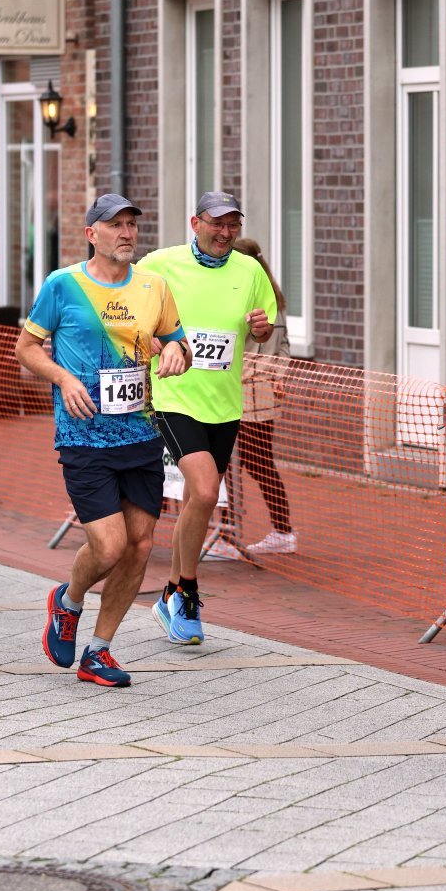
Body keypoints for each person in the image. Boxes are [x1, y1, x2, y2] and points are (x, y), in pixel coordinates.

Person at [15, 194, 189, 688]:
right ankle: (68, 601)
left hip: (141, 433)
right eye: (115, 225)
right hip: (84, 435)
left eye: (131, 224)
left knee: (140, 546)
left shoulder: (155, 286)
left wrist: (176, 352)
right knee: (110, 546)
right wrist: (64, 378)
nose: (126, 232)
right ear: (92, 234)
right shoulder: (63, 284)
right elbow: (26, 348)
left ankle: (99, 650)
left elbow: (178, 341)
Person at [137, 192, 277, 646]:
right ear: (195, 223)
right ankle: (189, 592)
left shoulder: (249, 271)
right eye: (217, 223)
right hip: (174, 395)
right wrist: (155, 341)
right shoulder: (160, 264)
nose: (225, 232)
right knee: (204, 491)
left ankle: (170, 594)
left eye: (233, 225)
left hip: (224, 403)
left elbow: (262, 329)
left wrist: (261, 329)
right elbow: (129, 312)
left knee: (196, 501)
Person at [232, 237, 297, 556]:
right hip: (256, 391)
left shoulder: (256, 299)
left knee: (252, 463)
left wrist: (274, 377)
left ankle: (279, 530)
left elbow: (276, 346)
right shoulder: (273, 296)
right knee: (249, 463)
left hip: (250, 391)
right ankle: (272, 529)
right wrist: (279, 376)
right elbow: (285, 347)